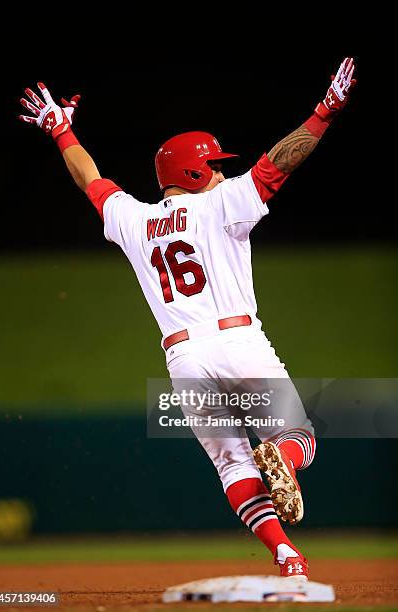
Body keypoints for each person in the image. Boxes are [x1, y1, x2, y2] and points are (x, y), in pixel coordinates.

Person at [18, 57, 356, 580]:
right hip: (238, 341)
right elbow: (279, 164)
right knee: (299, 436)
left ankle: (286, 554)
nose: (223, 170)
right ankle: (283, 460)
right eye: (215, 164)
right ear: (196, 173)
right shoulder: (221, 201)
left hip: (183, 358)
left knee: (231, 465)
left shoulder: (133, 218)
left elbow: (91, 179)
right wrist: (325, 111)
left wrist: (61, 130)